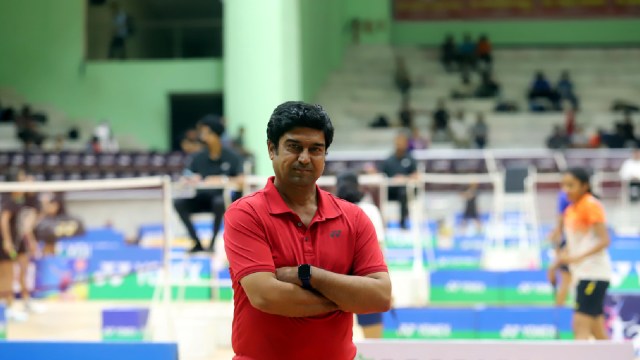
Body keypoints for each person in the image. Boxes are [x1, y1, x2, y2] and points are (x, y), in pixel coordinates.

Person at [223, 101, 391, 360]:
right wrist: (345, 299)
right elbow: (266, 296)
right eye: (294, 147)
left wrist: (309, 275)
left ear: (325, 155)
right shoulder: (246, 214)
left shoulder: (354, 218)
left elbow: (379, 297)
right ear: (271, 149)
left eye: (316, 149)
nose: (304, 157)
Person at [550, 167, 612, 340]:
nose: (566, 190)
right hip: (580, 273)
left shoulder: (591, 205)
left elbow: (604, 240)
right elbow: (572, 245)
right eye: (564, 185)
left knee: (579, 324)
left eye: (571, 185)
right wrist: (555, 264)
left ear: (584, 186)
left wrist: (576, 258)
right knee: (597, 330)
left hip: (593, 273)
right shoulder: (570, 210)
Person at [174, 115, 243, 253]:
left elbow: (241, 181)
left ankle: (212, 244)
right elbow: (187, 175)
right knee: (178, 203)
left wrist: (221, 180)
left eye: (205, 132)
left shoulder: (232, 156)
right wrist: (190, 179)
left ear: (215, 134)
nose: (202, 135)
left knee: (219, 202)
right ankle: (197, 242)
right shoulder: (198, 157)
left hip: (223, 200)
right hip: (202, 198)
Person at [336, 171, 387, 339]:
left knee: (335, 341)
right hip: (366, 281)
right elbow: (379, 251)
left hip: (335, 282)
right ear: (358, 186)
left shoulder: (329, 210)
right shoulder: (370, 210)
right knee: (374, 344)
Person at [0, 168, 40, 321]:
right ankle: (8, 308)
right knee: (7, 276)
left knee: (8, 275)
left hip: (10, 241)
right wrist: (7, 241)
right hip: (4, 242)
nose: (24, 182)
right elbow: (3, 220)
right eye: (21, 180)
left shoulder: (16, 199)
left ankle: (8, 307)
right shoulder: (8, 199)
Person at [379, 132, 418, 229]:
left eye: (402, 142)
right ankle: (380, 223)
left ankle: (403, 222)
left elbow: (416, 175)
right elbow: (381, 174)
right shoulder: (389, 160)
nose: (400, 144)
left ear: (406, 143)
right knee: (378, 192)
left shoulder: (410, 159)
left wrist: (404, 178)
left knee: (403, 193)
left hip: (406, 190)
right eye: (398, 142)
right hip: (391, 190)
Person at [547, 191, 572, 307]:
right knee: (565, 280)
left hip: (572, 247)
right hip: (567, 243)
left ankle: (558, 312)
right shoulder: (563, 196)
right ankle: (558, 310)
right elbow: (560, 224)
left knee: (566, 282)